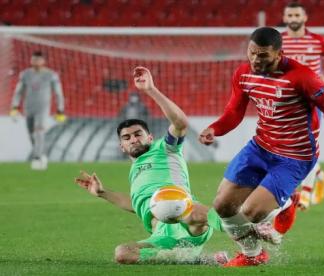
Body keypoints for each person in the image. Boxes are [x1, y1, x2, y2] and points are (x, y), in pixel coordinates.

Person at [198, 27, 324, 267]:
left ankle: (285, 206)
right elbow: (234, 111)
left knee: (251, 213)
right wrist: (215, 128)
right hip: (259, 147)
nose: (256, 60)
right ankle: (253, 254)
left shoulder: (302, 77)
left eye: (263, 55)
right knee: (223, 206)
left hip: (294, 156)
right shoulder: (244, 73)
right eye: (252, 53)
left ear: (279, 54)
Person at [74, 67, 225, 265]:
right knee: (123, 253)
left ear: (150, 137)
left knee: (195, 212)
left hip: (187, 220)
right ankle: (195, 259)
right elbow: (137, 206)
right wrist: (102, 193)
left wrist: (150, 90)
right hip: (162, 237)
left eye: (138, 134)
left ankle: (247, 232)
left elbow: (180, 122)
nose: (133, 139)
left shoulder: (165, 148)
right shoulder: (135, 174)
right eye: (127, 138)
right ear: (122, 147)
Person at [282, 1, 324, 209]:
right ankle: (320, 175)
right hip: (285, 100)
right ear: (285, 19)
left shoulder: (317, 41)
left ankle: (305, 194)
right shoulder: (278, 42)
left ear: (304, 18)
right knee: (288, 146)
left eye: (296, 16)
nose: (293, 19)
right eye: (290, 16)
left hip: (312, 99)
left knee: (307, 144)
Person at [9, 51, 66, 170]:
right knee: (31, 134)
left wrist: (60, 109)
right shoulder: (25, 74)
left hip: (43, 108)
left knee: (39, 132)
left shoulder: (51, 75)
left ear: (43, 61)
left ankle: (37, 158)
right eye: (33, 59)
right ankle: (42, 154)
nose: (35, 62)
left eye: (37, 59)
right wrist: (14, 106)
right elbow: (18, 91)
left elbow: (58, 93)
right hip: (28, 108)